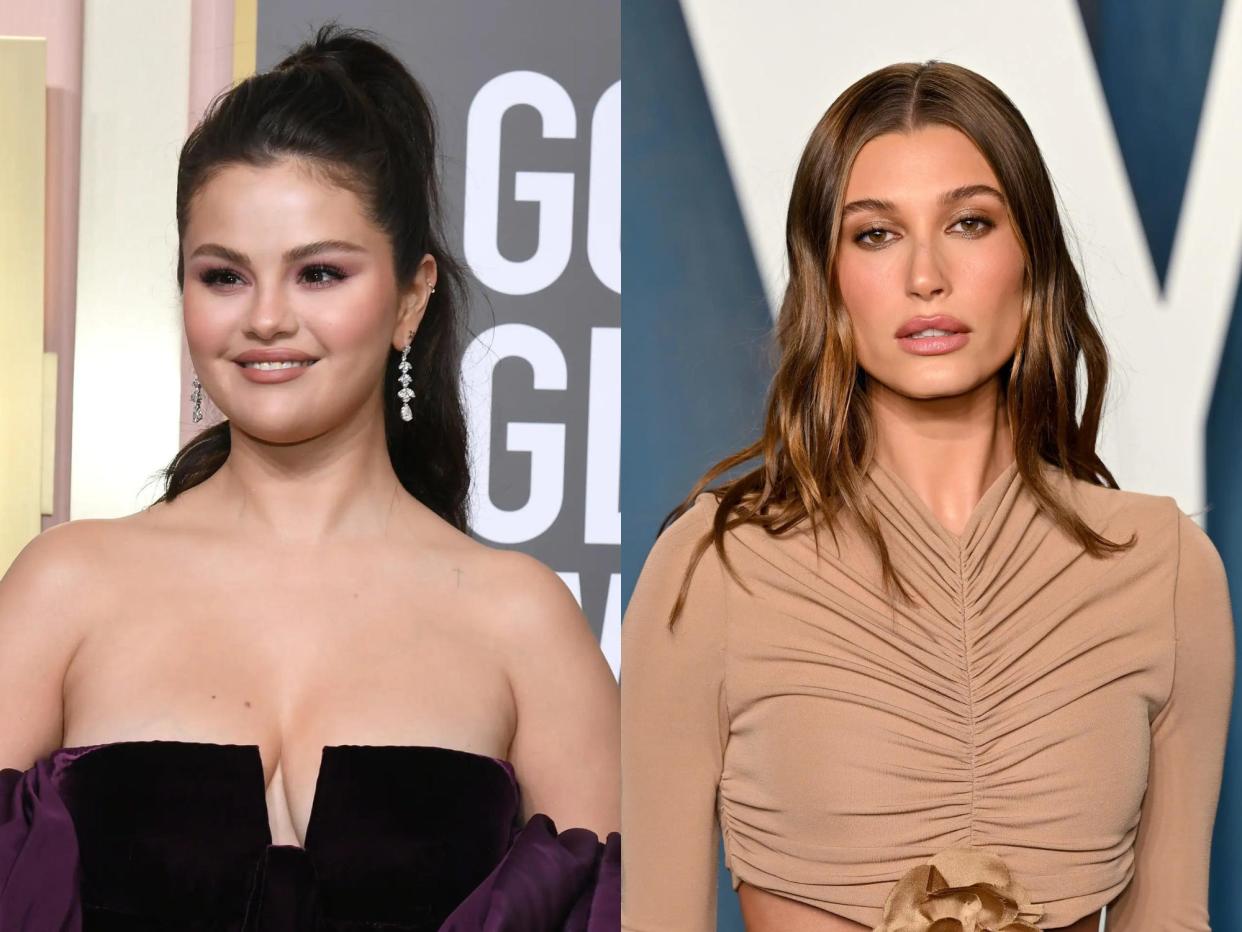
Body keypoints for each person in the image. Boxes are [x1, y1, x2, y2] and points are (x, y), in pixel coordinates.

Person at [0, 22, 619, 930]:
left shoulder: (521, 622)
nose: (267, 319)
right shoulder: (64, 589)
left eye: (319, 273)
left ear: (412, 297)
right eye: (224, 276)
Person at [621, 60, 1234, 932]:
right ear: (827, 279)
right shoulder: (715, 568)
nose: (926, 276)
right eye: (876, 234)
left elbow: (1172, 917)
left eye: (970, 223)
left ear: (1034, 266)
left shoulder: (1165, 570)